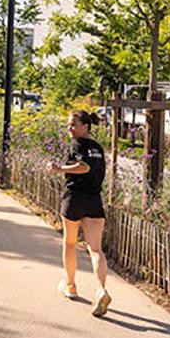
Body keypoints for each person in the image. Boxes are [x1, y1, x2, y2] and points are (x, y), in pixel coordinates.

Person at [48, 110, 110, 317]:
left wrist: (59, 168)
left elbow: (83, 168)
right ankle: (101, 289)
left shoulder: (77, 144)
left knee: (70, 243)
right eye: (68, 125)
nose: (70, 129)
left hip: (75, 198)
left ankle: (71, 285)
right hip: (94, 200)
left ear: (85, 126)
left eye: (73, 125)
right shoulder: (97, 148)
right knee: (96, 250)